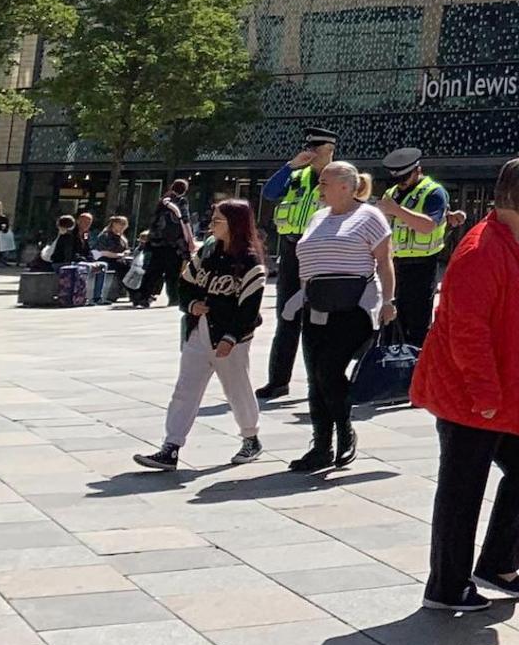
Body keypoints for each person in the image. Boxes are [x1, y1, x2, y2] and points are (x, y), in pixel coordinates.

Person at [411, 156, 519, 613]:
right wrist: (485, 395)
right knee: (462, 487)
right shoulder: (480, 250)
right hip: (477, 394)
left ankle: (498, 562)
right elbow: (466, 331)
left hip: (515, 385)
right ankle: (447, 585)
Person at [133, 199, 267, 471]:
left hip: (230, 338)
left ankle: (251, 438)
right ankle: (170, 447)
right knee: (185, 390)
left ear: (235, 224)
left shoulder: (250, 261)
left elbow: (249, 309)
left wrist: (232, 337)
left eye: (218, 220)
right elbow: (185, 284)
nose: (212, 225)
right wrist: (191, 304)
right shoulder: (207, 251)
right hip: (198, 330)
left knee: (236, 388)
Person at [283, 160, 398, 473]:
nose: (320, 188)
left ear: (346, 187)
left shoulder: (369, 216)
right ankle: (321, 445)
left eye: (325, 182)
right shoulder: (318, 217)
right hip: (316, 306)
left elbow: (385, 262)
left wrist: (388, 300)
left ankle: (345, 431)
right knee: (315, 378)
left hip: (353, 308)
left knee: (328, 371)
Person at [256, 127, 339, 402]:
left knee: (320, 321)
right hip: (292, 248)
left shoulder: (340, 177)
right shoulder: (296, 175)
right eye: (309, 148)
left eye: (317, 148)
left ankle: (320, 382)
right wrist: (289, 166)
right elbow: (269, 193)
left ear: (329, 150)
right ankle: (278, 381)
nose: (311, 153)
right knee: (286, 317)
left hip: (322, 253)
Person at [373, 149, 449, 346]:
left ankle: (415, 368)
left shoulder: (434, 192)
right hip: (395, 264)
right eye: (398, 178)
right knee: (390, 322)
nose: (402, 182)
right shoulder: (391, 193)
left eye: (406, 177)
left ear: (418, 170)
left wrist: (396, 210)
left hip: (421, 268)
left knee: (416, 326)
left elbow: (428, 225)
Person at [132, 179, 196, 310]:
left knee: (154, 270)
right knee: (172, 271)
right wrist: (190, 239)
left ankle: (143, 296)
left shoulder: (163, 201)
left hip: (157, 242)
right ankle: (174, 298)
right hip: (174, 243)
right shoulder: (181, 201)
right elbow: (185, 219)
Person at [93, 215, 135, 299]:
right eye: (121, 224)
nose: (123, 226)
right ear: (114, 224)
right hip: (106, 259)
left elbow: (126, 249)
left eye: (125, 224)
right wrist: (117, 255)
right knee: (125, 268)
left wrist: (126, 252)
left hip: (119, 259)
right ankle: (133, 292)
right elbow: (101, 252)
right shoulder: (105, 236)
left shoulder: (122, 237)